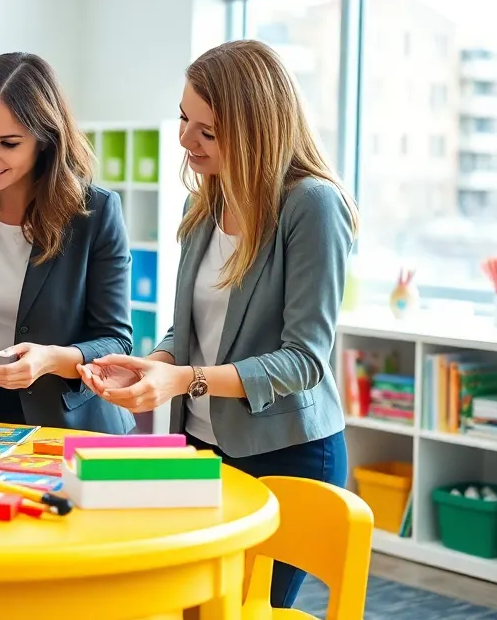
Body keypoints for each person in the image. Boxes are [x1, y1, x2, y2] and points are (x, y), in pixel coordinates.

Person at [78, 39, 357, 610]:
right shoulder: (201, 205)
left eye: (207, 130)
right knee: (189, 604)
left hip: (288, 454)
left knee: (243, 609)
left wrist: (183, 380)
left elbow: (304, 361)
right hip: (204, 446)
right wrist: (153, 365)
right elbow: (194, 331)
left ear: (257, 130)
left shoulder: (312, 206)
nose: (185, 140)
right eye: (185, 118)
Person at [0, 52, 135, 434]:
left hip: (74, 426)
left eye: (8, 143)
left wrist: (52, 359)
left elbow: (116, 341)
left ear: (44, 141)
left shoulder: (96, 212)